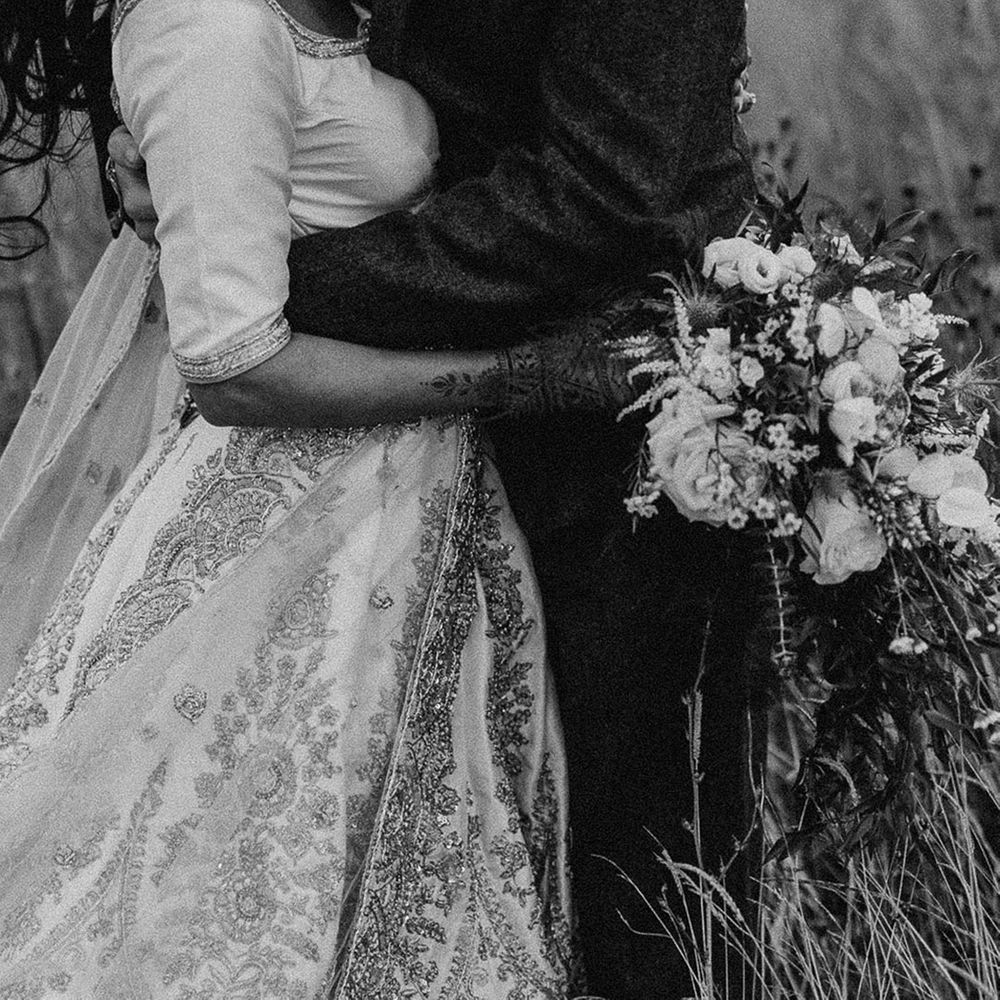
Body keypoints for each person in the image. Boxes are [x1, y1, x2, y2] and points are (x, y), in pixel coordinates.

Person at [109, 1, 762, 996]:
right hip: (377, 487)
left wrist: (284, 268)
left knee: (636, 876)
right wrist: (188, 148)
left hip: (618, 449)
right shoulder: (211, 27)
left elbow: (613, 188)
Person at [0, 0, 636, 994]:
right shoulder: (213, 26)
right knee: (230, 889)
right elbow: (235, 370)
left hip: (415, 509)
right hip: (282, 528)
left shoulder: (340, 13)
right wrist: (515, 375)